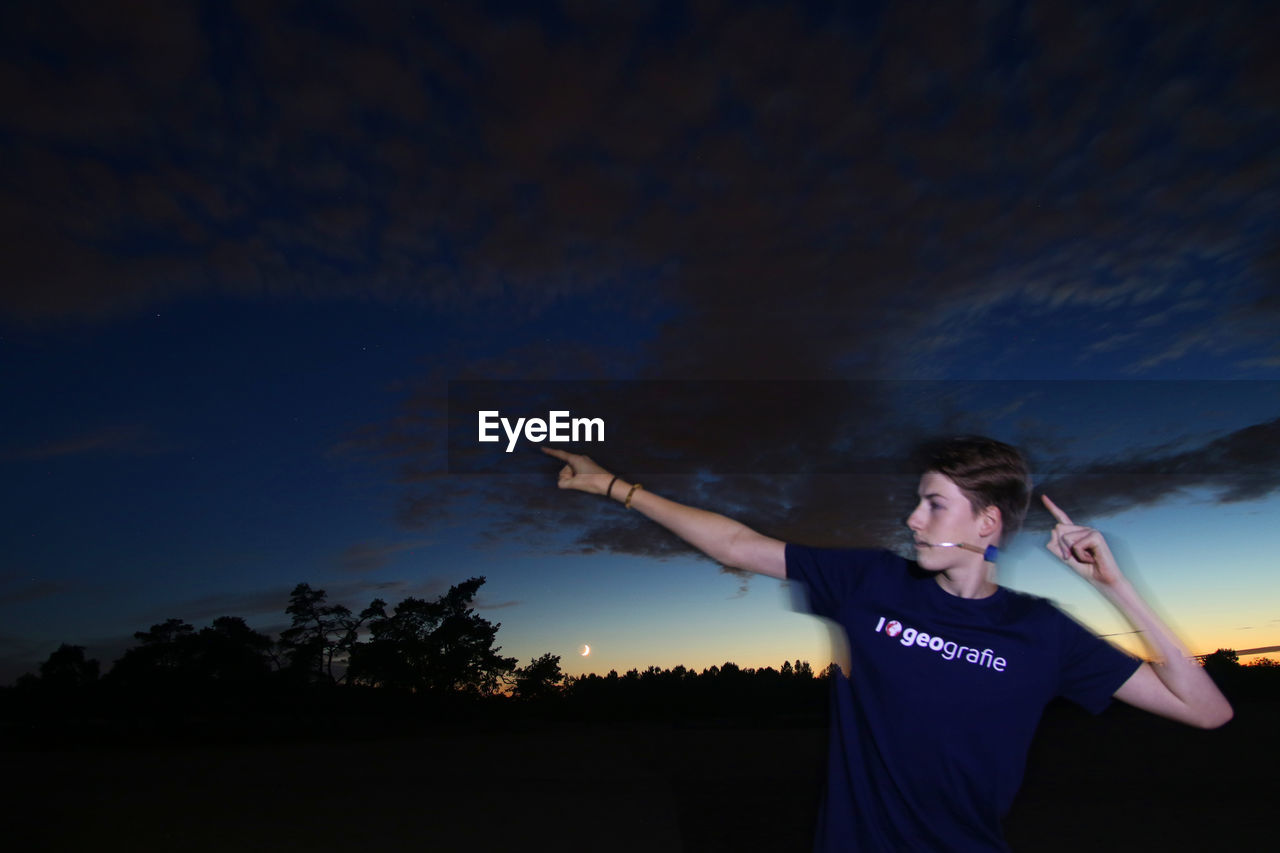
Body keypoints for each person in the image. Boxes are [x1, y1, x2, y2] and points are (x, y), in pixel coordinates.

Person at [542, 436, 1232, 852]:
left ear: (987, 522)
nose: (912, 516)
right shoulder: (872, 581)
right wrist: (613, 485)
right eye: (917, 499)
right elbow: (740, 545)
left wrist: (1117, 588)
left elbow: (1208, 711)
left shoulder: (1042, 632)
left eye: (934, 503)